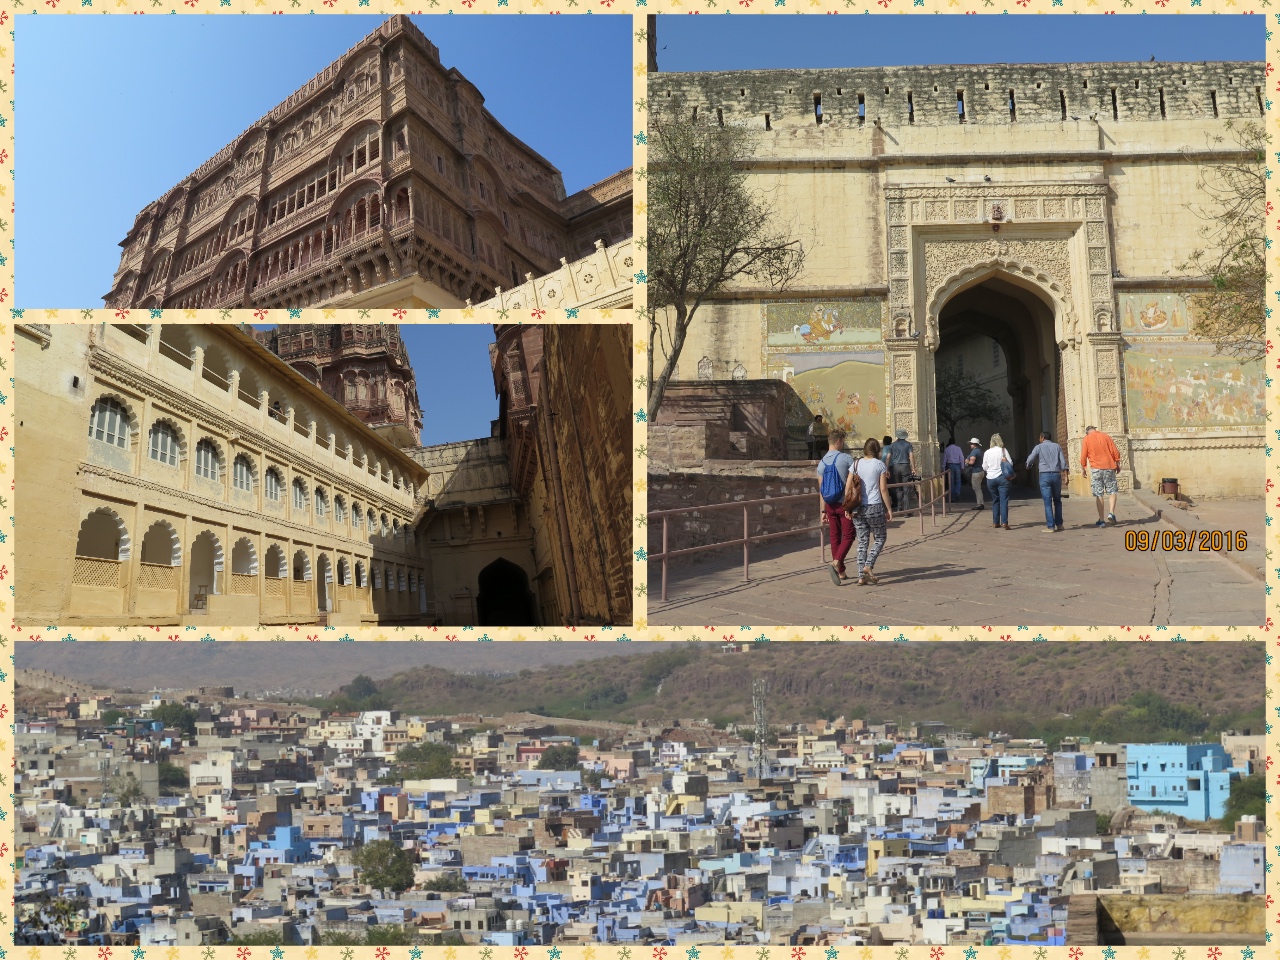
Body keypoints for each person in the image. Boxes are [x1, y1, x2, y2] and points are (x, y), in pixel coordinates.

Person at [816, 428, 856, 584]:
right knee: (849, 535)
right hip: (844, 503)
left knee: (834, 537)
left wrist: (823, 511)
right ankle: (836, 562)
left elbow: (821, 491)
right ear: (839, 441)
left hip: (830, 505)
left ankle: (841, 573)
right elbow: (856, 480)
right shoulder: (846, 459)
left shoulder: (821, 464)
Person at [853, 437, 893, 585]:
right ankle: (868, 565)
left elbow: (848, 488)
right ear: (877, 450)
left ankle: (860, 577)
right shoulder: (879, 465)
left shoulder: (855, 464)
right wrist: (889, 508)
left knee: (862, 541)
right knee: (880, 538)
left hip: (857, 508)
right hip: (874, 506)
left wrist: (847, 508)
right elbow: (883, 489)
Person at [1025, 429, 1069, 532]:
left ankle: (1050, 526)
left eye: (1040, 437)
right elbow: (1063, 461)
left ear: (1043, 438)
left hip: (1044, 476)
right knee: (1057, 500)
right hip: (1056, 475)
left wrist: (1028, 465)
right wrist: (1066, 475)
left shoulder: (1038, 447)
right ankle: (1059, 524)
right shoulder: (1057, 446)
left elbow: (1030, 458)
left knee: (1047, 501)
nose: (1039, 439)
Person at [1080, 424, 1122, 527]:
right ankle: (1111, 513)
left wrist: (1083, 468)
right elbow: (1114, 451)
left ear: (1087, 432)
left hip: (1096, 469)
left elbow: (1083, 455)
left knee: (1099, 494)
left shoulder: (1087, 439)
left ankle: (1102, 520)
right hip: (1109, 467)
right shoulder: (1106, 436)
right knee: (1112, 491)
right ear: (1095, 430)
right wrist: (1118, 463)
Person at [982, 432, 1014, 529]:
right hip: (1002, 477)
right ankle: (1004, 522)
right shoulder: (1003, 451)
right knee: (1004, 500)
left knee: (995, 500)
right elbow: (1010, 463)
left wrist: (990, 470)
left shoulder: (987, 452)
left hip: (991, 478)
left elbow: (984, 467)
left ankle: (995, 522)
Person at [885, 429, 917, 513]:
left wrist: (887, 469)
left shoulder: (892, 445)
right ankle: (907, 510)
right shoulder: (908, 444)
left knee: (898, 488)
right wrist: (913, 468)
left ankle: (899, 507)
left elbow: (888, 457)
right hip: (905, 466)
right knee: (906, 488)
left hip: (896, 467)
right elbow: (911, 456)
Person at [965, 437, 986, 511]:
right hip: (981, 471)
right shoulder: (980, 451)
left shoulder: (974, 452)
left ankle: (980, 503)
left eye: (971, 444)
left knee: (976, 488)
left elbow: (972, 462)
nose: (970, 445)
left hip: (976, 471)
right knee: (978, 487)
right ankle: (980, 503)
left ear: (974, 444)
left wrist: (967, 461)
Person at [942, 438, 965, 503]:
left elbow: (944, 459)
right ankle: (957, 492)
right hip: (957, 465)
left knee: (951, 482)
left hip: (950, 466)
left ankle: (952, 497)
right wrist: (962, 466)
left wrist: (943, 468)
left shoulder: (947, 449)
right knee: (958, 480)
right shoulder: (958, 448)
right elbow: (962, 457)